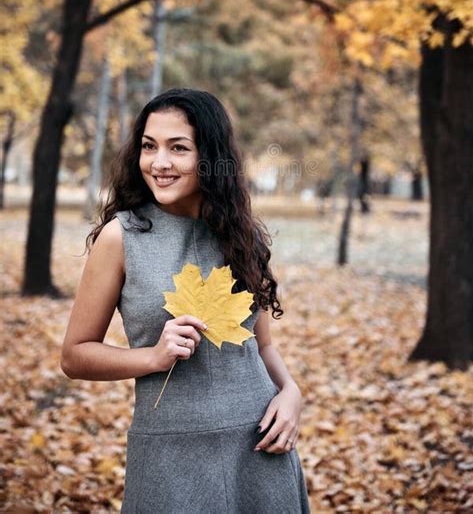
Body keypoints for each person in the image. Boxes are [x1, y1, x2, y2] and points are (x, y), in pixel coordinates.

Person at [61, 87, 311, 513]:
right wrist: (153, 357)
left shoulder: (241, 235)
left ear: (209, 157)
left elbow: (262, 344)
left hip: (258, 445)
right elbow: (75, 355)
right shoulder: (122, 237)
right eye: (148, 146)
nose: (159, 162)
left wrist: (291, 392)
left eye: (178, 148)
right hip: (169, 451)